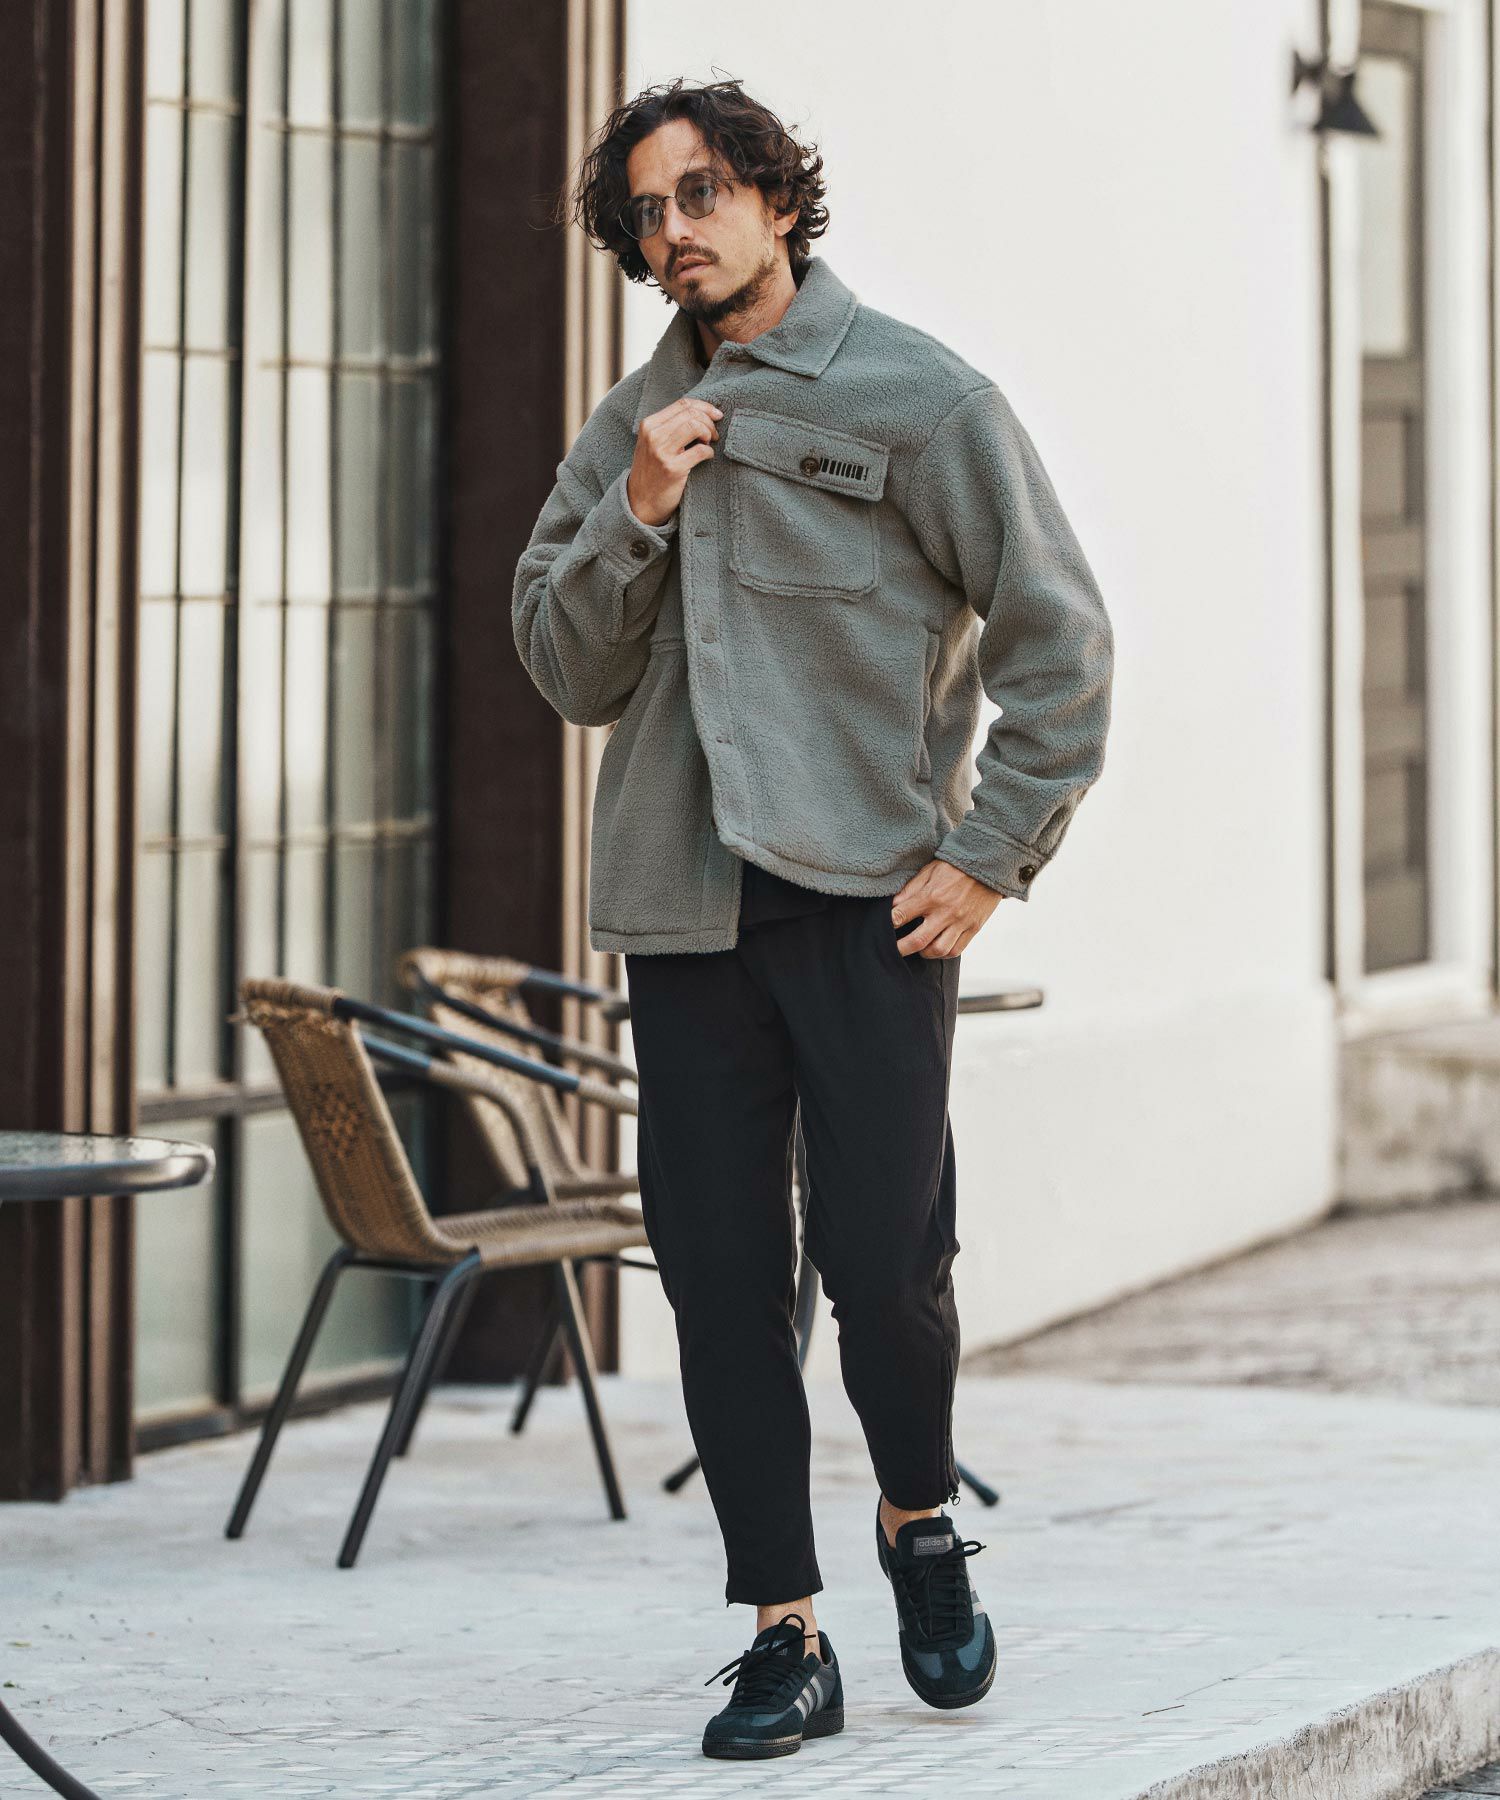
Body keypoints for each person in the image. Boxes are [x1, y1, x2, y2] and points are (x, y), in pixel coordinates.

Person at [514, 75, 1114, 1761]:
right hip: (683, 915)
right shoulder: (631, 427)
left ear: (778, 199)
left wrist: (989, 856)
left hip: (869, 909)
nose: (676, 230)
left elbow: (1061, 645)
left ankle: (919, 1523)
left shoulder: (924, 399)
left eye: (703, 192)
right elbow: (562, 666)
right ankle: (784, 1632)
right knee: (718, 1281)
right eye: (648, 213)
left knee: (885, 1269)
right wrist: (636, 509)